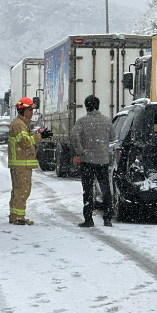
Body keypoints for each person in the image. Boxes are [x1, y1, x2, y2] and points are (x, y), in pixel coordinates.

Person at [70, 95, 113, 228]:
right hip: (103, 160)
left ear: (86, 106)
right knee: (105, 188)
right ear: (98, 105)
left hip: (87, 160)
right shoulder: (107, 121)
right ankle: (107, 218)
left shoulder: (82, 121)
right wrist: (105, 148)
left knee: (88, 189)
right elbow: (113, 137)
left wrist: (80, 150)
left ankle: (88, 219)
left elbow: (74, 136)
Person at [8, 97, 51, 225]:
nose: (32, 112)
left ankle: (15, 216)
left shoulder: (21, 124)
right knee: (23, 190)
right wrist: (40, 136)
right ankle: (18, 218)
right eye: (30, 109)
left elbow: (26, 139)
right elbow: (25, 142)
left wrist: (38, 136)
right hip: (21, 164)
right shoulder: (19, 125)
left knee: (18, 190)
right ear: (22, 110)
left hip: (21, 163)